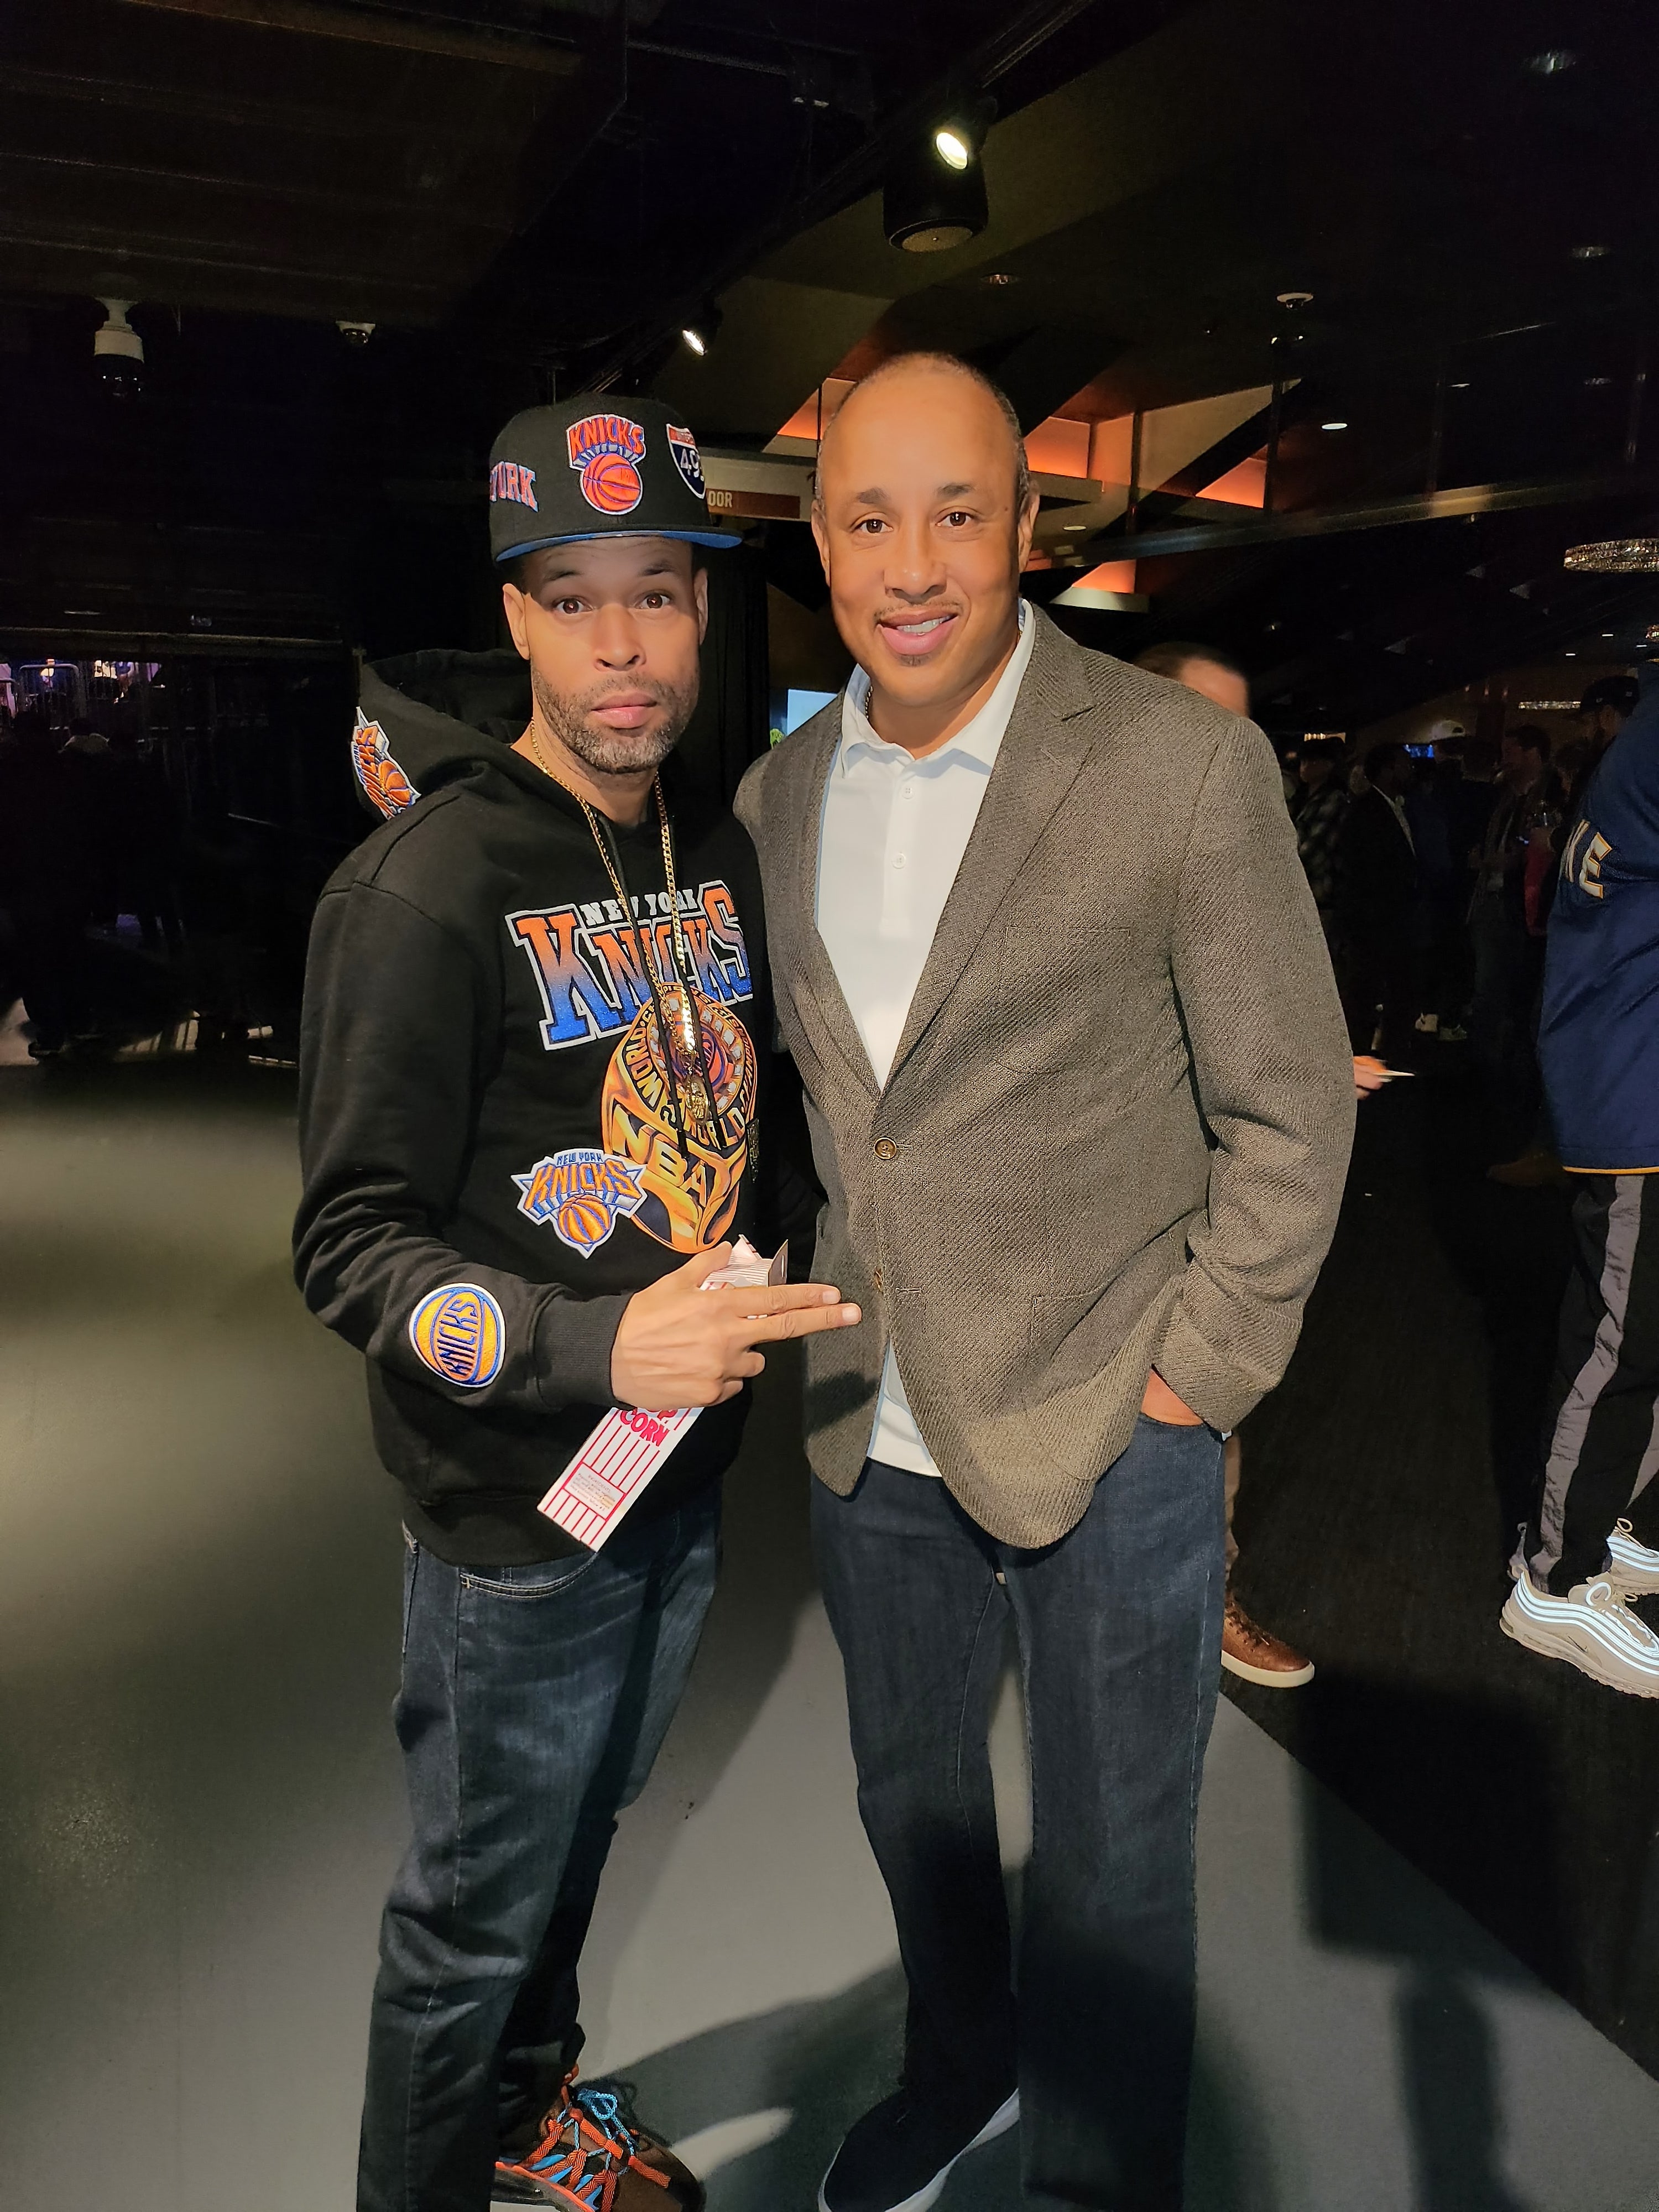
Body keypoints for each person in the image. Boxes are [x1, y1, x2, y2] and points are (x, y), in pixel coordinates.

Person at [738, 352, 1354, 2212]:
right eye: (869, 519)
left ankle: (1095, 2181)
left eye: (956, 512)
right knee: (913, 1806)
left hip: (1118, 1419)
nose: (912, 563)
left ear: (1028, 521)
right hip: (869, 1415)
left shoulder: (1179, 767)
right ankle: (960, 2062)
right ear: (820, 541)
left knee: (1115, 1861)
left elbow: (1292, 1105)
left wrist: (1196, 1382)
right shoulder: (775, 796)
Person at [293, 395, 858, 2212]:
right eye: (573, 598)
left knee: (574, 1845)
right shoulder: (423, 890)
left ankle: (530, 2109)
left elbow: (735, 1116)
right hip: (514, 1520)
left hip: (678, 1484)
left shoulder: (711, 851)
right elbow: (350, 1245)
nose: (623, 645)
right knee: (469, 1919)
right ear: (517, 621)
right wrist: (595, 1342)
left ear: (702, 612)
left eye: (658, 595)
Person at [1135, 643, 1326, 1692]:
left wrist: (1207, 1360)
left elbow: (1272, 1055)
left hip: (1197, 1226)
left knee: (1204, 1425)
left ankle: (1208, 1598)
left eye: (1244, 729)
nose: (1231, 750)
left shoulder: (1244, 845)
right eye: (1207, 722)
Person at [1501, 668, 1659, 1694]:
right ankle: (1553, 1581)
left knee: (1646, 1337)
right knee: (1623, 1342)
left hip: (1634, 1071)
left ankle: (1617, 1521)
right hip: (1638, 1088)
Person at [1470, 725, 1557, 1168]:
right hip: (1495, 902)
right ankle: (1491, 1075)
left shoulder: (1547, 796)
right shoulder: (1507, 796)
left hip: (1522, 909)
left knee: (1512, 993)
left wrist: (1505, 861)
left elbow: (1529, 851)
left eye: (1512, 749)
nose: (1505, 757)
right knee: (1492, 991)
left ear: (1533, 753)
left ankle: (1506, 1079)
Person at [0, 706, 92, 1057]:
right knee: (71, 949)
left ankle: (51, 1030)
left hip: (26, 877)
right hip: (68, 875)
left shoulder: (9, 772)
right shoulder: (68, 768)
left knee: (36, 958)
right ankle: (81, 1020)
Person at [1338, 739, 1424, 1058]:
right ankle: (1367, 1053)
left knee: (1377, 989)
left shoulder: (1391, 807)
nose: (1410, 769)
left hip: (1385, 918)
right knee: (1369, 990)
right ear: (1388, 770)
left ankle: (1378, 1051)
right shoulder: (1369, 811)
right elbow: (1368, 870)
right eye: (1404, 764)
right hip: (1378, 919)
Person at [1291, 738, 1349, 940]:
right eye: (1303, 761)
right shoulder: (1302, 797)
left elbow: (1316, 847)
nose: (1305, 767)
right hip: (1303, 890)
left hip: (1319, 891)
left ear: (1328, 765)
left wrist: (1287, 868)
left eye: (1312, 761)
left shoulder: (1334, 798)